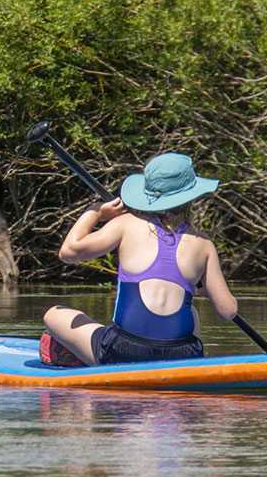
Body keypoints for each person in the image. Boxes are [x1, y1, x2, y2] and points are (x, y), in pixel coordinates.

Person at [41, 152, 239, 366]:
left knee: (53, 314)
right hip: (183, 356)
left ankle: (80, 356)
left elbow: (68, 252)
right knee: (190, 310)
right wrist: (202, 288)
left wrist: (95, 211)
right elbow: (228, 311)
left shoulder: (126, 224)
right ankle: (187, 368)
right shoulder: (203, 244)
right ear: (190, 197)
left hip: (122, 352)